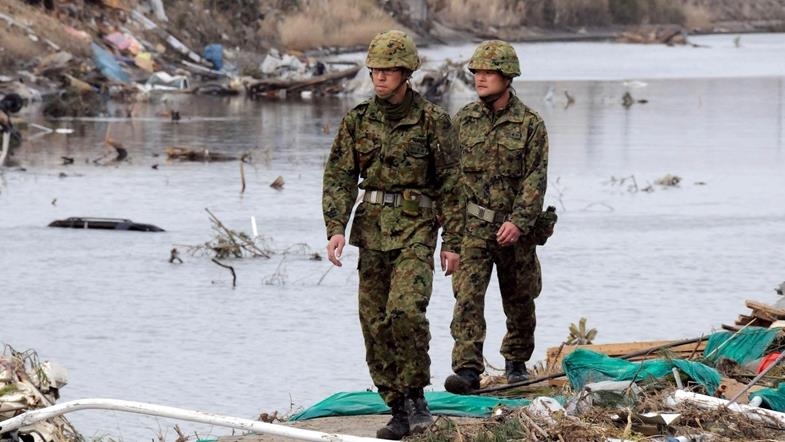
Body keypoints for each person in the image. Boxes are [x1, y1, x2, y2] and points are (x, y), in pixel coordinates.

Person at [322, 30, 463, 440]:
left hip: (417, 230)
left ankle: (417, 396)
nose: (379, 78)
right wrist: (335, 227)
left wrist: (452, 241)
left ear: (406, 74)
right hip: (372, 232)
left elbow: (452, 184)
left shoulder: (433, 121)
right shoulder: (358, 120)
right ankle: (396, 404)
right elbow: (340, 176)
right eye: (375, 70)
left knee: (405, 312)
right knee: (374, 322)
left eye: (388, 71)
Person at [444, 40, 555, 395]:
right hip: (473, 225)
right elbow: (450, 179)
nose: (480, 78)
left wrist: (520, 221)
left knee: (520, 299)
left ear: (507, 77)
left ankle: (517, 364)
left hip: (514, 228)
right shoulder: (463, 121)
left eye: (488, 72)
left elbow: (535, 179)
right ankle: (467, 370)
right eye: (476, 72)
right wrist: (450, 233)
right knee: (467, 299)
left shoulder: (530, 124)